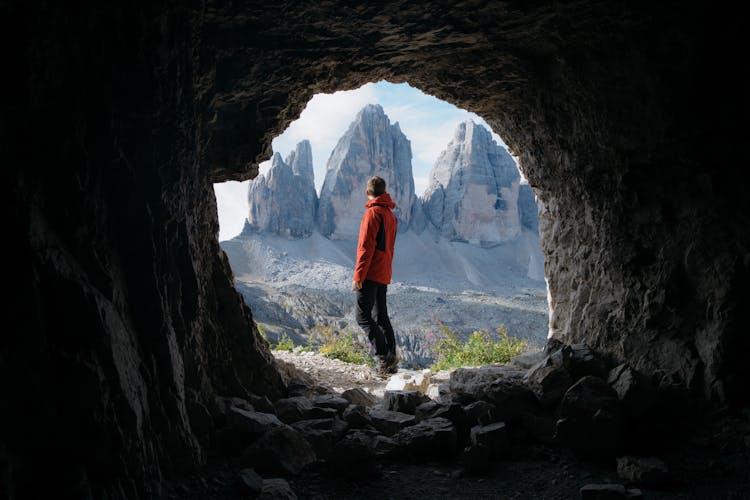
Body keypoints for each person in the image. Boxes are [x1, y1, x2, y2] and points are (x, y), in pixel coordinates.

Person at [352, 176, 399, 376]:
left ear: (367, 192)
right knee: (381, 317)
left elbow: (365, 247)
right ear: (384, 191)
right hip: (384, 271)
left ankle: (383, 357)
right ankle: (392, 361)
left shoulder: (372, 213)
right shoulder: (390, 215)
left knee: (362, 316)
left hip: (371, 272)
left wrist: (358, 276)